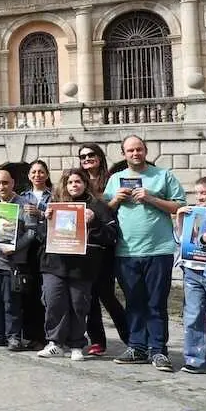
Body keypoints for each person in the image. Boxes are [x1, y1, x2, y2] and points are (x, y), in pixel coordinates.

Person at [106, 135, 185, 371]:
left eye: (139, 149)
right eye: (130, 150)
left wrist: (150, 198)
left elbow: (180, 206)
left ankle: (159, 351)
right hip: (126, 250)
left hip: (158, 249)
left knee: (156, 302)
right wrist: (116, 201)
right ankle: (137, 347)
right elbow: (105, 211)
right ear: (124, 154)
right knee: (134, 302)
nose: (135, 153)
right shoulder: (116, 179)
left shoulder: (163, 175)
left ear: (145, 150)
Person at [36, 169, 117, 362]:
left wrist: (94, 221)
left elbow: (111, 235)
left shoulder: (98, 207)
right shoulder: (55, 206)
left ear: (85, 184)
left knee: (78, 305)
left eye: (78, 181)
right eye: (70, 182)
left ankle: (76, 344)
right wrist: (46, 221)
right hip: (54, 264)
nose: (74, 185)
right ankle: (55, 343)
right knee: (54, 302)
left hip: (83, 267)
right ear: (65, 185)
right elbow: (40, 236)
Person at [78, 143, 127, 356]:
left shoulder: (111, 179)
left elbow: (113, 210)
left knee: (107, 294)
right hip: (84, 245)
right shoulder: (79, 180)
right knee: (89, 296)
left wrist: (112, 203)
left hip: (107, 241)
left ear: (99, 157)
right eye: (83, 156)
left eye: (91, 155)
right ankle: (97, 340)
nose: (87, 159)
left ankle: (130, 336)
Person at [0, 170, 34, 350]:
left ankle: (13, 337)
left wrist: (15, 247)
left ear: (12, 183)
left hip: (11, 263)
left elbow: (32, 232)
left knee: (12, 302)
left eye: (4, 183)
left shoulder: (24, 204)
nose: (1, 187)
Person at [175, 176, 206, 374]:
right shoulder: (195, 213)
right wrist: (180, 219)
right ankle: (195, 360)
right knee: (193, 316)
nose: (199, 197)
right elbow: (185, 242)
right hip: (192, 269)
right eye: (197, 193)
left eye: (204, 193)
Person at [19, 160, 53, 348]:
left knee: (47, 292)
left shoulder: (55, 195)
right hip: (28, 248)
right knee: (30, 292)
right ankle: (32, 335)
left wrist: (41, 212)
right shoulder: (23, 197)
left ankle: (50, 335)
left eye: (41, 172)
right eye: (34, 172)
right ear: (29, 175)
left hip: (49, 247)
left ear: (47, 175)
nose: (37, 175)